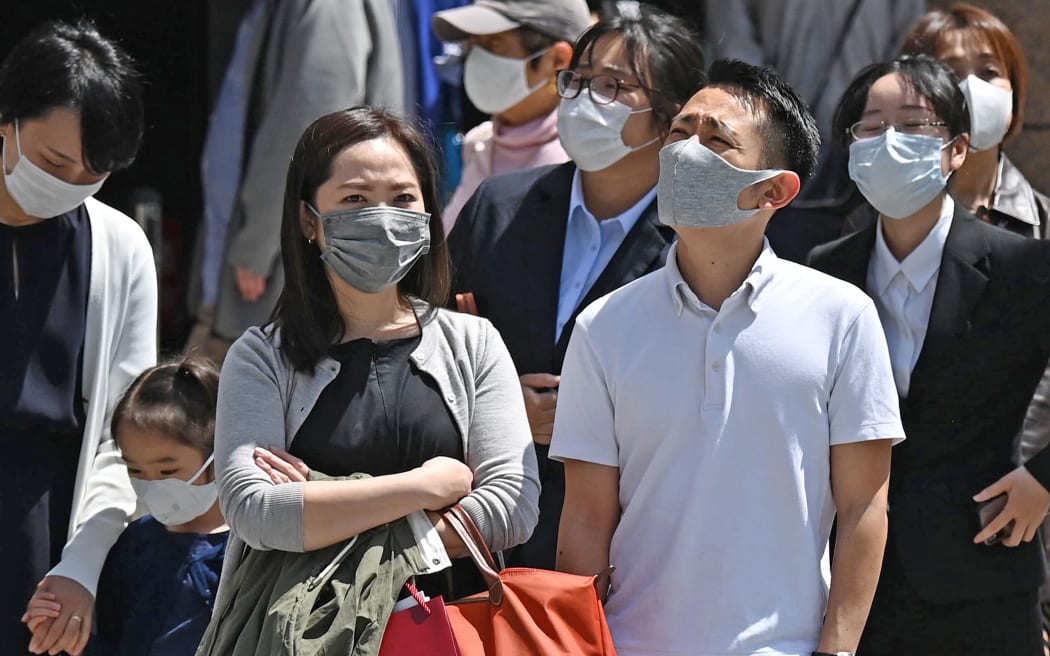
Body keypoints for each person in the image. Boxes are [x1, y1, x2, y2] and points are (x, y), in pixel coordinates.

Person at [552, 58, 903, 656]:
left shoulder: (842, 316)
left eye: (716, 141)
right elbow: (586, 518)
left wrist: (837, 649)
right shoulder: (602, 325)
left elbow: (864, 505)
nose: (685, 153)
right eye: (679, 133)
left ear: (774, 190)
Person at [213, 106, 539, 614]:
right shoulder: (262, 358)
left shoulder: (473, 342)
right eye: (355, 199)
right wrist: (424, 487)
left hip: (454, 632)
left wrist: (323, 513)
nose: (384, 218)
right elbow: (254, 511)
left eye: (403, 198)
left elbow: (511, 507)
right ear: (309, 219)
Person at [448, 5, 706, 571]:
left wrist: (592, 418)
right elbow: (428, 349)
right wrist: (498, 408)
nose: (585, 99)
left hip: (630, 548)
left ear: (671, 118)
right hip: (485, 539)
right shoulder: (499, 206)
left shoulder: (697, 239)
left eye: (613, 86)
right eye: (577, 81)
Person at [808, 54, 1050, 655]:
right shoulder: (826, 269)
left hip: (983, 569)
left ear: (958, 148)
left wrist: (1044, 479)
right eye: (871, 126)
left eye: (914, 124)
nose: (890, 141)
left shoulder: (1022, 266)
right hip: (852, 580)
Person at [0, 20, 157, 656]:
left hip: (54, 542)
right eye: (53, 164)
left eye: (93, 173)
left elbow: (125, 433)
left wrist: (82, 566)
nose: (68, 185)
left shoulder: (119, 246)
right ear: (7, 121)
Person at [185, 0, 404, 364]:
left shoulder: (328, 8)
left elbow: (307, 131)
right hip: (264, 276)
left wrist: (256, 245)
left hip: (275, 285)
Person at [23, 357, 228, 656]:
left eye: (167, 471)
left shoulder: (245, 552)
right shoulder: (133, 543)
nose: (151, 484)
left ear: (220, 452)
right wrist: (65, 631)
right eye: (135, 470)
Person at [704, 0, 927, 263]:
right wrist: (774, 113)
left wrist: (875, 115)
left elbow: (906, 49)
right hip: (774, 142)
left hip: (864, 142)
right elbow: (735, 47)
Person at [432, 0, 592, 232]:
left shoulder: (587, 162)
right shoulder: (480, 145)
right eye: (473, 45)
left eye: (494, 44)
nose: (476, 60)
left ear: (558, 60)